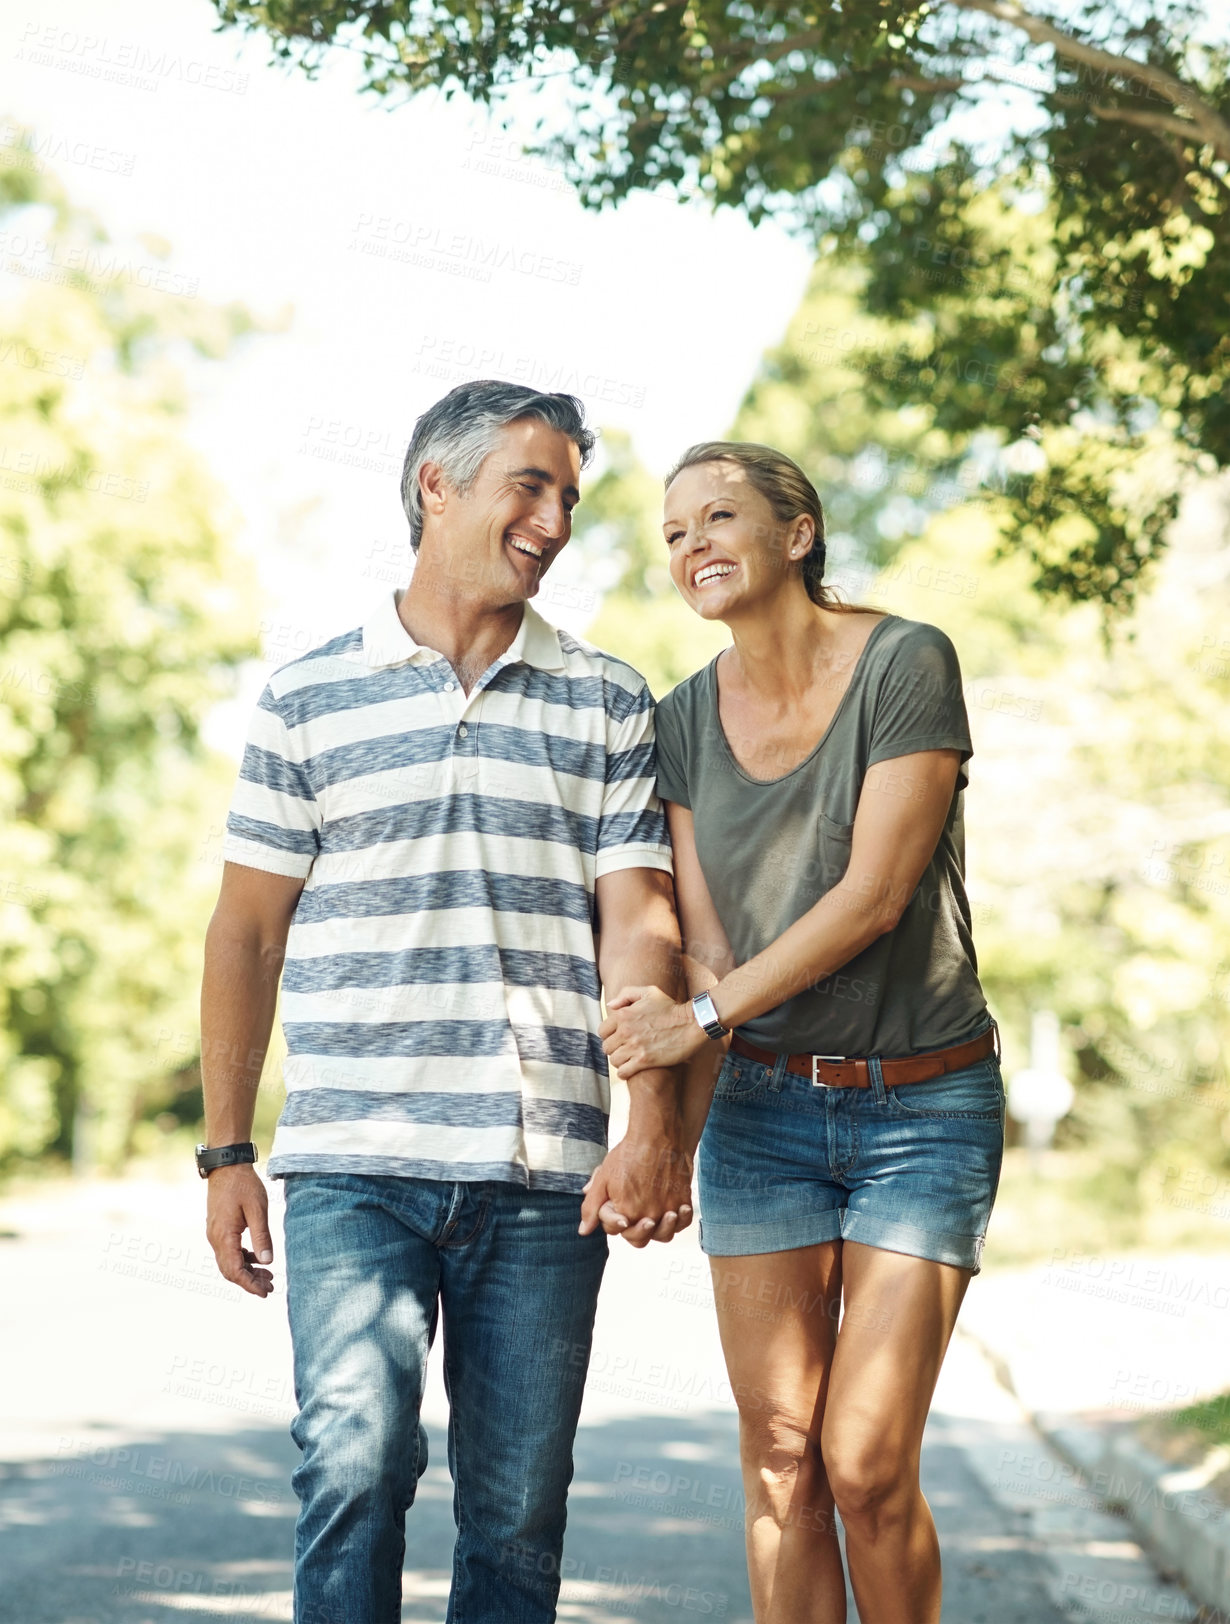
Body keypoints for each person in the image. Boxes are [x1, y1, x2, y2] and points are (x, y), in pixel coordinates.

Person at [198, 380, 693, 1624]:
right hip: (355, 1159)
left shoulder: (606, 699)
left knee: (518, 1513)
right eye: (530, 484)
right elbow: (246, 932)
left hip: (541, 1169)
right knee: (354, 1468)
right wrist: (225, 1152)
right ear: (438, 484)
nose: (555, 519)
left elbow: (636, 915)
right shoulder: (308, 697)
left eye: (570, 496)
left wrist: (648, 1125)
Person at [598, 441, 1005, 1624]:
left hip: (923, 1107)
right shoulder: (677, 720)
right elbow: (704, 951)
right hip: (766, 1117)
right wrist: (666, 1133)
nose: (693, 547)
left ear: (799, 532)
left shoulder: (905, 662)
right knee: (781, 1457)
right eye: (673, 534)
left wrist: (704, 1017)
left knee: (866, 1459)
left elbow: (876, 897)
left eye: (718, 517)